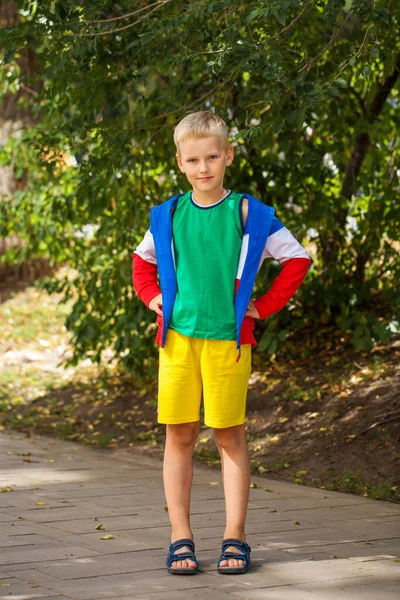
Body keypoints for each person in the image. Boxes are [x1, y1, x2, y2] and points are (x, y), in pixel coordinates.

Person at [132, 111, 311, 575]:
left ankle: (236, 535)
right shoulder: (169, 214)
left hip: (228, 343)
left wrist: (263, 306)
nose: (203, 167)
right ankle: (181, 538)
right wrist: (153, 298)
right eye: (193, 159)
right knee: (180, 435)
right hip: (177, 342)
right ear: (180, 162)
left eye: (212, 156)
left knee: (229, 436)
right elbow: (140, 263)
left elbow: (297, 258)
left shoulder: (249, 213)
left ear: (228, 155)